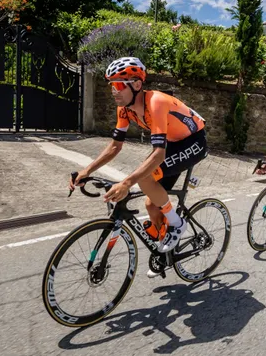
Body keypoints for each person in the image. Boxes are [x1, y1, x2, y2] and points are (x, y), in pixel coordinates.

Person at [69, 57, 208, 267]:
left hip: (194, 141)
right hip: (173, 144)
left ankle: (178, 224)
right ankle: (165, 256)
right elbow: (115, 146)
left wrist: (126, 183)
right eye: (111, 86)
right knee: (152, 204)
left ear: (136, 84)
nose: (114, 91)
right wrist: (86, 171)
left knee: (144, 178)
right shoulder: (124, 109)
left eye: (118, 85)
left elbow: (159, 154)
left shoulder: (156, 102)